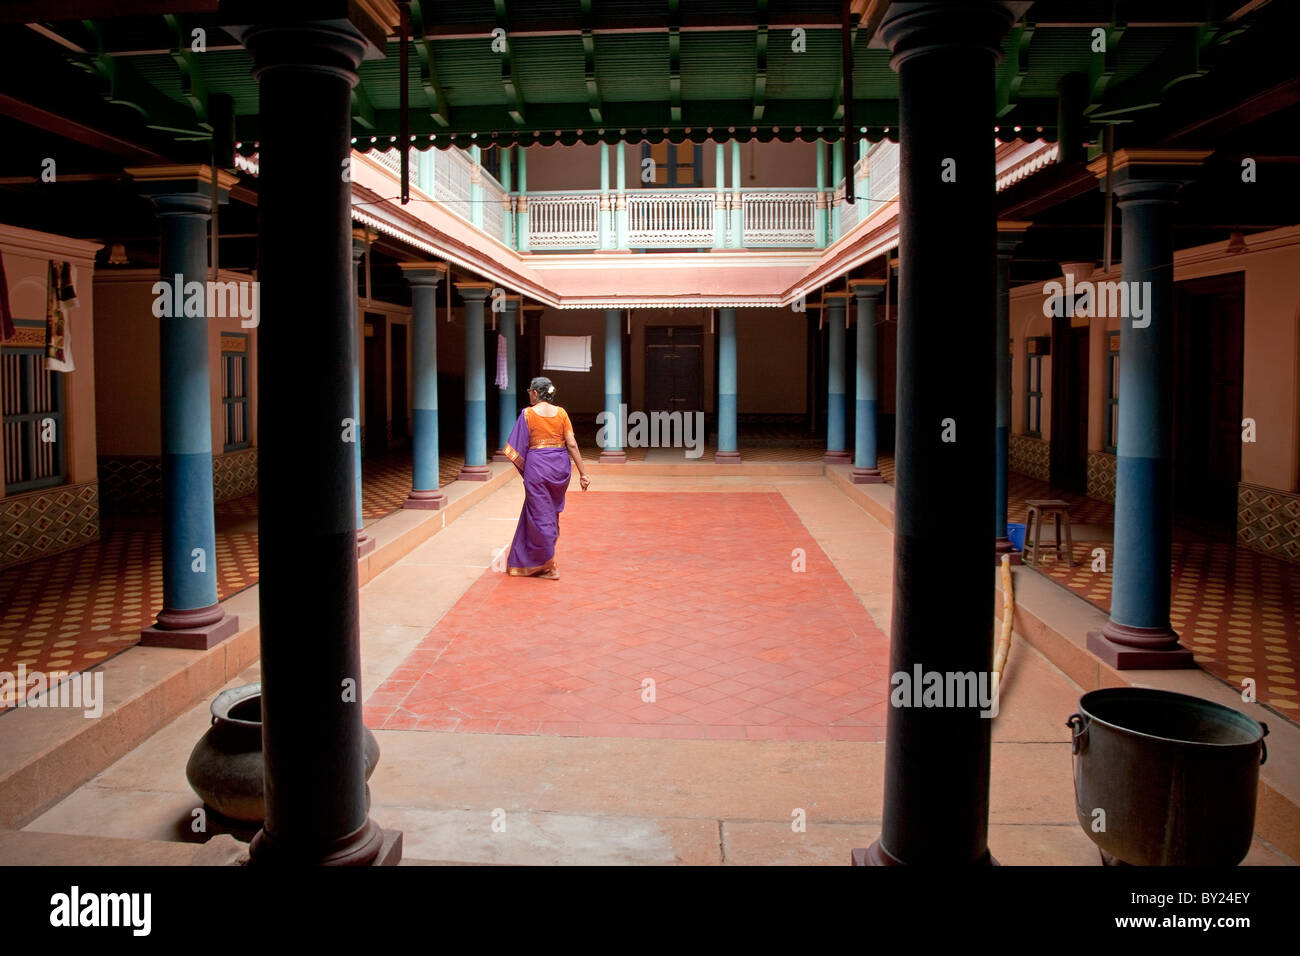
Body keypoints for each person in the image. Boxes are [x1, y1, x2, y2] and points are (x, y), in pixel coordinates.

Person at [501, 377, 590, 579]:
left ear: (535, 393)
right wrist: (583, 473)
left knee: (540, 515)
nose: (529, 394)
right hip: (560, 468)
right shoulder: (562, 413)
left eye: (529, 391)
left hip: (538, 468)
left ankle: (548, 565)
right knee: (548, 512)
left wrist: (528, 471)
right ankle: (536, 560)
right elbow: (572, 444)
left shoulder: (527, 414)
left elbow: (514, 451)